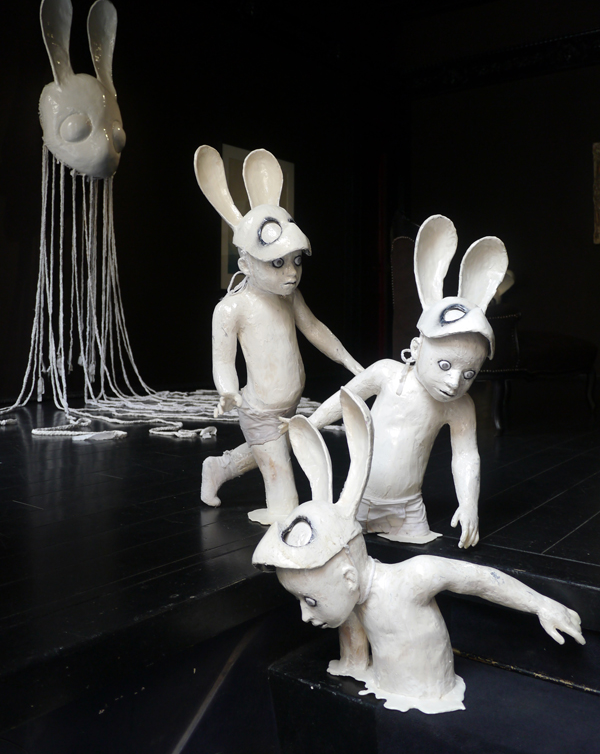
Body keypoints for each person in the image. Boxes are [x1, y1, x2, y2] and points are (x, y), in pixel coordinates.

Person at [254, 389, 585, 714]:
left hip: (428, 691)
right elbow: (352, 638)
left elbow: (480, 580)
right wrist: (352, 664)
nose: (304, 615)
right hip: (387, 687)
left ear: (348, 576)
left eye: (310, 600)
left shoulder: (412, 578)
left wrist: (541, 604)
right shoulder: (350, 601)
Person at [307, 214, 508, 547]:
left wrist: (469, 505)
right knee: (339, 547)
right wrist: (310, 425)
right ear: (416, 348)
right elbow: (345, 399)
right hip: (358, 497)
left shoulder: (460, 406)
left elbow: (466, 456)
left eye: (469, 374)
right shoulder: (387, 373)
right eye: (444, 364)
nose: (454, 382)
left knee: (420, 553)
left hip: (409, 508)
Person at [194, 145, 363, 524]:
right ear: (245, 264)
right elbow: (223, 361)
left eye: (296, 261)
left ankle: (219, 468)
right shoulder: (231, 309)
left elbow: (314, 328)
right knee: (283, 493)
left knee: (269, 451)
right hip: (258, 409)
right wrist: (228, 391)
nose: (292, 272)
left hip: (289, 406)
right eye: (277, 263)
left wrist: (348, 360)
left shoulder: (290, 297)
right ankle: (282, 529)